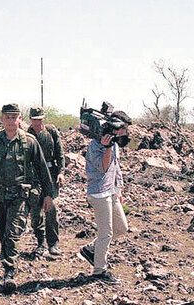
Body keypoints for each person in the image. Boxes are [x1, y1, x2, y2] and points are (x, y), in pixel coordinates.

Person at [0, 104, 55, 293]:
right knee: (2, 232)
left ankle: (9, 272)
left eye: (14, 117)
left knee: (12, 233)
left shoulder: (30, 142)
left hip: (19, 196)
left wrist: (48, 194)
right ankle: (8, 258)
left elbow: (42, 168)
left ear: (19, 119)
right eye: (7, 117)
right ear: (2, 119)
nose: (10, 120)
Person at [80, 110, 132, 285]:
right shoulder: (96, 145)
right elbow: (103, 168)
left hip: (111, 191)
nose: (125, 132)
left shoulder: (114, 144)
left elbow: (115, 168)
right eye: (123, 128)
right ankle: (99, 271)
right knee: (106, 233)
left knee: (121, 228)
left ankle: (91, 249)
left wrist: (119, 190)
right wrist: (107, 148)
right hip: (99, 193)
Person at [27, 106, 65, 256]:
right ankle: (40, 243)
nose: (37, 123)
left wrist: (61, 172)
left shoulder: (51, 132)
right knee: (35, 211)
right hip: (33, 176)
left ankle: (53, 243)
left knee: (51, 209)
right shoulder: (26, 135)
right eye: (34, 120)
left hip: (50, 174)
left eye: (40, 120)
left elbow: (59, 154)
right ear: (30, 119)